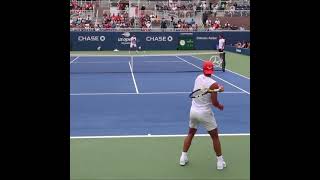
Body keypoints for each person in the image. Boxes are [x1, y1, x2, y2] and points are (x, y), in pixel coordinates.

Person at [179, 60, 226, 170]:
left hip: (193, 112)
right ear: (212, 70)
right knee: (215, 137)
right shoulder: (214, 84)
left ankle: (183, 157)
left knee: (190, 133)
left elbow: (208, 89)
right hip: (205, 113)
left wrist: (217, 90)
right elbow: (214, 103)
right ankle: (220, 161)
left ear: (203, 69)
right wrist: (220, 106)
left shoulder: (198, 77)